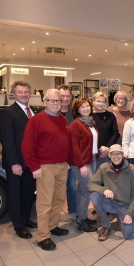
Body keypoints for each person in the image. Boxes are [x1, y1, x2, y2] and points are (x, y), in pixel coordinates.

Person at [22, 89, 71, 251]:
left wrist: (68, 161)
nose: (56, 103)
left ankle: (52, 226)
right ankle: (43, 236)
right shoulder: (37, 120)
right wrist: (34, 167)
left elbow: (66, 142)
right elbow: (27, 146)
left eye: (58, 101)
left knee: (58, 200)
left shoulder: (62, 118)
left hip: (62, 166)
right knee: (44, 203)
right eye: (52, 101)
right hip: (45, 167)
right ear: (45, 102)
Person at [0, 81, 39, 240]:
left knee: (28, 193)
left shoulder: (34, 111)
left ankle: (25, 218)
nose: (24, 95)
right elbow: (7, 141)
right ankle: (19, 225)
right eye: (20, 92)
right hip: (17, 163)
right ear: (13, 94)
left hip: (32, 162)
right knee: (16, 194)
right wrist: (14, 163)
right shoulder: (8, 113)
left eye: (26, 92)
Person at [88, 144, 134, 241]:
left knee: (129, 235)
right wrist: (104, 190)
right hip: (109, 203)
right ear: (109, 155)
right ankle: (106, 225)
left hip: (124, 204)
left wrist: (130, 212)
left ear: (123, 154)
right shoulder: (104, 167)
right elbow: (90, 185)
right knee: (95, 196)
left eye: (118, 154)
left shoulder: (132, 169)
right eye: (113, 154)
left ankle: (121, 216)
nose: (116, 157)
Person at [68, 97, 99, 232]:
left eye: (87, 106)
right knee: (87, 190)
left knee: (82, 190)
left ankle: (81, 216)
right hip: (80, 161)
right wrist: (81, 166)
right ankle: (81, 220)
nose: (86, 109)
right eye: (82, 107)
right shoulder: (76, 124)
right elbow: (74, 147)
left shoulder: (91, 123)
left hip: (91, 159)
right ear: (77, 110)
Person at [59, 85, 77, 219]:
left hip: (72, 157)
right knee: (57, 188)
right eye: (62, 96)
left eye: (67, 96)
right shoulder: (53, 112)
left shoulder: (74, 113)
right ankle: (54, 214)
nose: (65, 99)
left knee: (71, 186)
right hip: (56, 158)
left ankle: (72, 211)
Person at [91, 91, 119, 170]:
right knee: (93, 177)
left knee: (106, 176)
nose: (101, 104)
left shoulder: (110, 115)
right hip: (93, 151)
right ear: (93, 102)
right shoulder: (89, 116)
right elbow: (88, 135)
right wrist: (99, 147)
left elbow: (116, 133)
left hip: (107, 151)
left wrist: (107, 148)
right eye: (98, 101)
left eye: (103, 102)